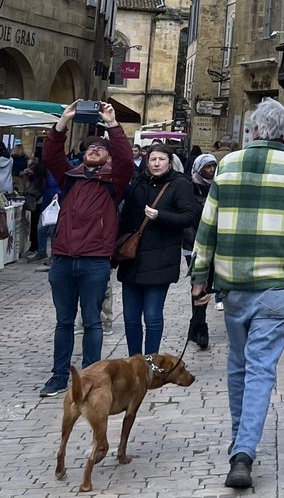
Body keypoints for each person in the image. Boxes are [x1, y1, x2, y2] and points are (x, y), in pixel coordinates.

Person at [190, 98, 284, 491]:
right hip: (277, 286)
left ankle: (239, 442)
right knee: (261, 367)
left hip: (233, 284)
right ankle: (244, 450)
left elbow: (207, 229)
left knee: (238, 363)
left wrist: (199, 278)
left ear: (254, 130)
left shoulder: (226, 166)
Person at [40, 101, 135, 398]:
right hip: (64, 259)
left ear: (107, 156)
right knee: (64, 321)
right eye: (90, 148)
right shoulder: (72, 177)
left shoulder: (114, 181)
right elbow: (51, 155)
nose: (93, 150)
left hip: (94, 261)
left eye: (99, 148)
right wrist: (63, 122)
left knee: (92, 321)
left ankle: (91, 375)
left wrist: (112, 124)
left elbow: (125, 159)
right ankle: (59, 376)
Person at [115, 142, 197, 357]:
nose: (157, 163)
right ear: (147, 162)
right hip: (132, 258)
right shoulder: (138, 183)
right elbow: (125, 219)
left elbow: (189, 216)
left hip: (161, 259)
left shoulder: (180, 184)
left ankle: (151, 360)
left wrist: (161, 215)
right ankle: (135, 361)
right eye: (153, 159)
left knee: (152, 316)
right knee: (131, 317)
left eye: (161, 159)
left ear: (170, 163)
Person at [183, 152, 218, 348]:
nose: (211, 170)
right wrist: (195, 240)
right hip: (193, 245)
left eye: (213, 166)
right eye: (207, 167)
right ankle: (200, 326)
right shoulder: (189, 187)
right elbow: (186, 218)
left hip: (215, 245)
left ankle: (195, 324)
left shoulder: (218, 187)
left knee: (208, 282)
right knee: (199, 283)